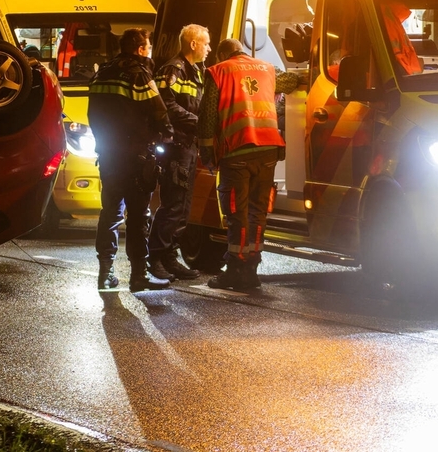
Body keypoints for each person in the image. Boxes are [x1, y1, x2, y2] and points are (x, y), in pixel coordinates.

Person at [196, 38, 301, 292]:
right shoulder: (266, 68)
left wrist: (206, 151)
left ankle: (235, 270)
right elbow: (292, 81)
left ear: (222, 54)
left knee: (236, 214)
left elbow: (207, 115)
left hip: (237, 152)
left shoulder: (218, 71)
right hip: (267, 152)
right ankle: (252, 271)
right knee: (257, 213)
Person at [88, 28, 174, 292]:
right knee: (138, 215)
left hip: (109, 154)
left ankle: (106, 272)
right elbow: (158, 110)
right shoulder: (139, 74)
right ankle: (138, 275)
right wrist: (168, 134)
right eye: (147, 46)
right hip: (136, 156)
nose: (148, 51)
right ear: (139, 49)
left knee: (110, 213)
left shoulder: (103, 71)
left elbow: (93, 113)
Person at [148, 24, 211, 282]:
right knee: (173, 204)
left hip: (189, 145)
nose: (209, 48)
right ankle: (156, 257)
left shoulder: (198, 71)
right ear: (193, 44)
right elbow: (166, 104)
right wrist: (197, 121)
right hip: (176, 145)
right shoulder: (173, 69)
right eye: (205, 43)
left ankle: (170, 257)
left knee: (183, 206)